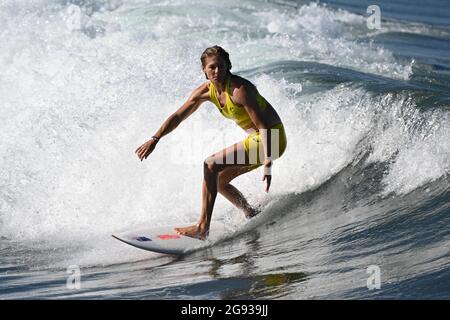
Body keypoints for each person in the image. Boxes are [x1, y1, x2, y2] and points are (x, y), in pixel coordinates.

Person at [135, 46, 287, 240]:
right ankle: (249, 211)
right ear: (204, 70)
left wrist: (267, 162)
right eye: (212, 67)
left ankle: (202, 227)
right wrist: (155, 139)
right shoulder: (205, 92)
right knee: (219, 181)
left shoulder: (240, 91)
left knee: (211, 164)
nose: (217, 71)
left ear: (228, 66)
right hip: (257, 140)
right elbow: (178, 116)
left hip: (271, 139)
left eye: (221, 67)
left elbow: (263, 126)